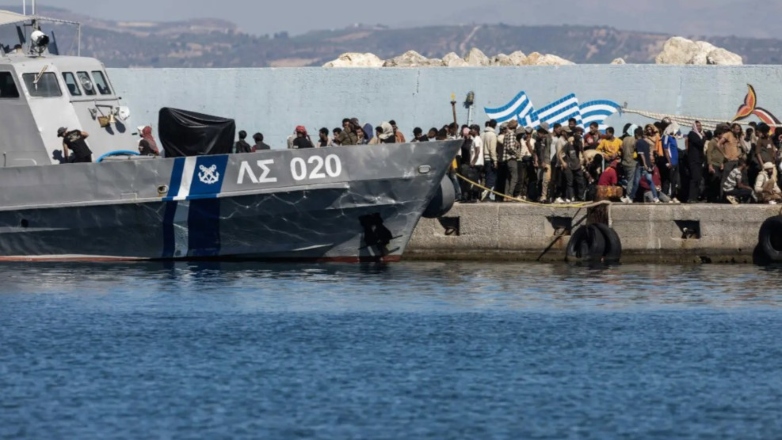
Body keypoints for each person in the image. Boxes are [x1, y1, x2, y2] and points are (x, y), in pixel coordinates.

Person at [623, 125, 659, 203]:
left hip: (642, 165)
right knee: (650, 181)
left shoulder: (639, 142)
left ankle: (630, 198)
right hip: (648, 164)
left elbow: (641, 154)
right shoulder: (645, 142)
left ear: (636, 135)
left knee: (636, 181)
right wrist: (648, 164)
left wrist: (644, 164)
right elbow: (648, 152)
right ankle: (656, 197)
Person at [559, 131, 585, 202]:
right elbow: (560, 153)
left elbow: (583, 152)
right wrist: (563, 162)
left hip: (577, 165)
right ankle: (571, 197)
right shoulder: (568, 145)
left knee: (580, 181)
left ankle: (580, 196)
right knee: (569, 182)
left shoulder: (579, 144)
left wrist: (584, 160)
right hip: (569, 166)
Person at [660, 122, 680, 202]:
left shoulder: (674, 138)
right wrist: (669, 161)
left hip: (676, 162)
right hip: (671, 161)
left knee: (674, 180)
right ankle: (667, 196)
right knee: (668, 180)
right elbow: (666, 149)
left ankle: (673, 196)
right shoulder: (666, 137)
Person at [687, 121, 706, 203]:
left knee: (698, 179)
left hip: (699, 160)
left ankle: (695, 197)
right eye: (697, 126)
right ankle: (691, 197)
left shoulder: (699, 135)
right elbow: (700, 143)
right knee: (694, 178)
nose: (699, 127)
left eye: (700, 125)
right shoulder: (692, 134)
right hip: (694, 160)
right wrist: (704, 138)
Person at [535, 122, 553, 203]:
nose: (538, 133)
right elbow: (538, 152)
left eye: (540, 132)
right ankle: (540, 195)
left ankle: (544, 196)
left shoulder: (547, 139)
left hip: (546, 162)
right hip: (541, 162)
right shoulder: (538, 141)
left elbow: (543, 151)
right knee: (540, 179)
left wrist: (543, 162)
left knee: (546, 180)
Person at [621, 124, 639, 201]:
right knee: (631, 180)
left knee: (627, 179)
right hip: (631, 162)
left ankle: (627, 194)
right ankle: (629, 196)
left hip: (624, 162)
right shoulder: (634, 140)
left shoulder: (624, 139)